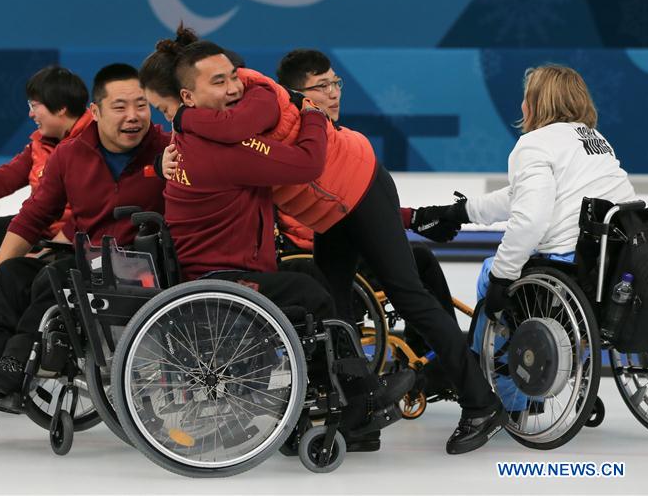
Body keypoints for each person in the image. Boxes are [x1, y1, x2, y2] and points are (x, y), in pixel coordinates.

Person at [143, 28, 505, 455]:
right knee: (335, 305)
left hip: (359, 185)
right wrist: (162, 156)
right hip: (330, 207)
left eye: (164, 108)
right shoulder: (210, 125)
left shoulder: (254, 94)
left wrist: (308, 111)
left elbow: (264, 144)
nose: (230, 87)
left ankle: (481, 403)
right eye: (218, 82)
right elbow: (207, 142)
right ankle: (358, 416)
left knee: (408, 296)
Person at [0, 64, 171, 395]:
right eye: (120, 107)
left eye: (141, 105)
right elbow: (32, 217)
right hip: (90, 263)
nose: (133, 116)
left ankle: (15, 365)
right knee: (13, 273)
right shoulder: (69, 153)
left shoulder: (169, 151)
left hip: (141, 266)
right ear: (96, 112)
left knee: (56, 275)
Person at [413, 65, 637, 390]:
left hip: (568, 265)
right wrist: (460, 211)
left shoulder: (534, 144)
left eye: (525, 97)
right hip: (609, 264)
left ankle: (479, 376)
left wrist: (501, 278)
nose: (521, 105)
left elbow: (530, 218)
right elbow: (519, 196)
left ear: (537, 102)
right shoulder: (593, 140)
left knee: (491, 271)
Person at [276, 48, 459, 355]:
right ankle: (437, 360)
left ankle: (428, 358)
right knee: (412, 270)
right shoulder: (299, 149)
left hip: (343, 239)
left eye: (336, 83)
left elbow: (357, 204)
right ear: (296, 95)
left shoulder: (335, 137)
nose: (334, 94)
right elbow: (338, 209)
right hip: (313, 255)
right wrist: (406, 220)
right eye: (322, 86)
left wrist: (413, 218)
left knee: (419, 259)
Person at [0, 66, 92, 267]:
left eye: (34, 105)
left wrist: (49, 252)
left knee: (14, 272)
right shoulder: (41, 144)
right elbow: (6, 177)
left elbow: (91, 212)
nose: (30, 114)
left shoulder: (93, 144)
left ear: (60, 108)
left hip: (77, 241)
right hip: (44, 231)